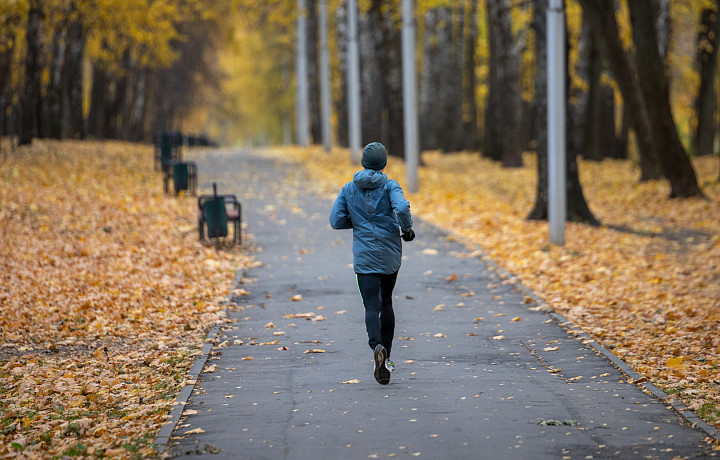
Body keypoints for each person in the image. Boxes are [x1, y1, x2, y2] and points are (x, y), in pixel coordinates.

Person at [329, 142, 415, 385]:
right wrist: (406, 229)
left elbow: (336, 220)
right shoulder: (390, 186)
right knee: (386, 301)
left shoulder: (348, 188)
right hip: (389, 253)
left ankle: (375, 345)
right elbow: (402, 207)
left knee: (370, 306)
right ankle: (385, 357)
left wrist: (358, 222)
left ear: (363, 162)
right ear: (384, 162)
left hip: (364, 256)